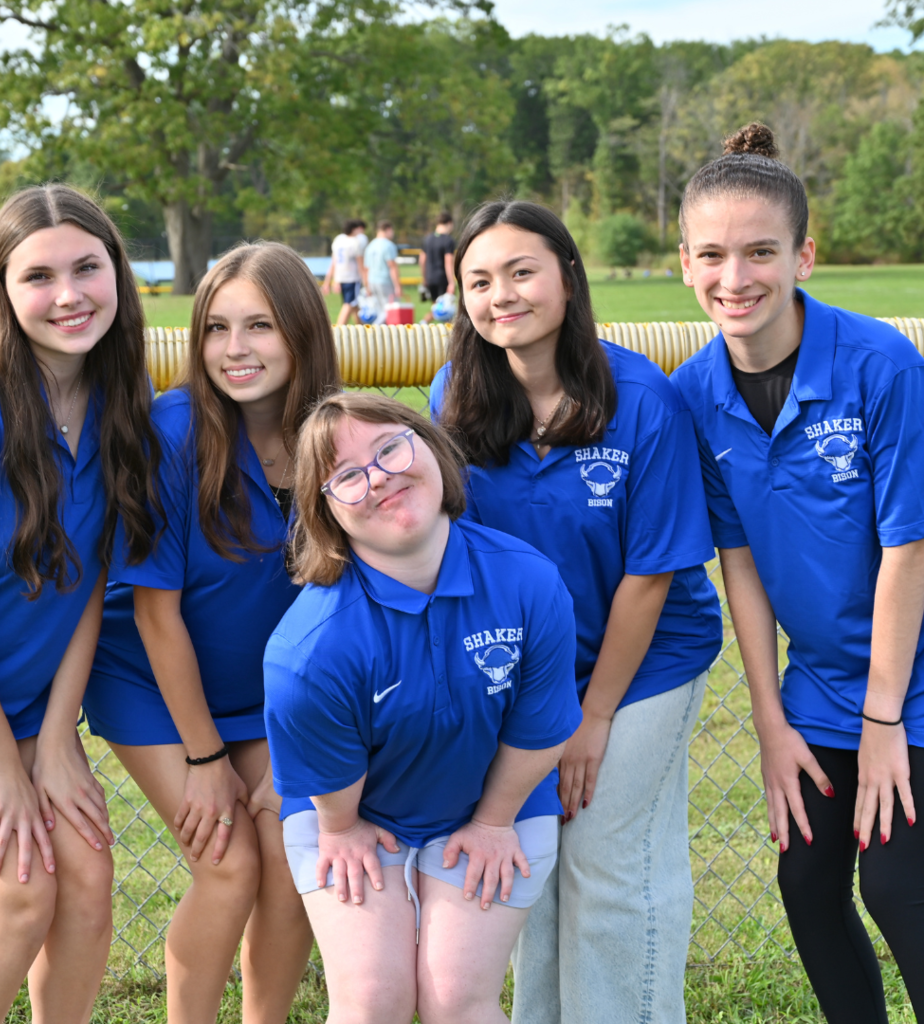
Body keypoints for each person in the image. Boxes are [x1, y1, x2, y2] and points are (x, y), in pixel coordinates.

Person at [431, 199, 723, 1024]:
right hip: (530, 671)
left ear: (567, 276)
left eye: (521, 272)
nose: (501, 295)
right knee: (534, 864)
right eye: (479, 281)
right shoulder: (454, 395)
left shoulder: (643, 398)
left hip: (646, 661)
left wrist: (591, 719)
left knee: (604, 861)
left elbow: (650, 578)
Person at [671, 123, 924, 1023]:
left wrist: (884, 722)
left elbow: (908, 548)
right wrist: (772, 723)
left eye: (760, 252)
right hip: (817, 685)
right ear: (685, 263)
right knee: (808, 881)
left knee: (897, 884)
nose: (734, 277)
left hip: (913, 674)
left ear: (803, 257)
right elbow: (738, 564)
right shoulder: (694, 394)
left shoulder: (881, 365)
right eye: (712, 255)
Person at [0, 184, 162, 1024]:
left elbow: (87, 585)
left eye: (87, 268)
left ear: (117, 273)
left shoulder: (121, 396)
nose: (69, 295)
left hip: (21, 705)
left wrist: (53, 739)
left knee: (85, 882)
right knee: (20, 893)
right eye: (38, 276)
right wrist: (3, 771)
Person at [263, 392, 582, 1024]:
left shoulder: (529, 581)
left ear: (432, 448)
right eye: (348, 476)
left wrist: (493, 822)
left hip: (500, 805)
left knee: (455, 999)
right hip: (351, 817)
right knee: (372, 1001)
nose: (379, 477)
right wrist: (341, 830)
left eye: (389, 449)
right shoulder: (309, 649)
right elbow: (331, 792)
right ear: (326, 513)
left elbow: (542, 728)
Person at [84, 242, 340, 1024]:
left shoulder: (340, 437)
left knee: (291, 857)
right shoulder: (171, 434)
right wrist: (204, 759)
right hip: (153, 683)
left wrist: (293, 738)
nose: (235, 349)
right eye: (217, 328)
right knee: (228, 868)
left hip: (267, 694)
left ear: (301, 331)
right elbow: (155, 614)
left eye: (259, 325)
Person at [321, 219, 368, 327]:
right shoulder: (356, 242)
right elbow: (361, 265)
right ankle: (338, 330)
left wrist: (329, 281)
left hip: (340, 278)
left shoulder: (338, 241)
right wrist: (366, 283)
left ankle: (362, 330)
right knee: (348, 305)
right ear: (354, 229)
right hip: (352, 278)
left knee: (354, 305)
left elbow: (333, 263)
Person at [419, 211, 456, 324]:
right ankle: (449, 333)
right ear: (449, 223)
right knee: (447, 310)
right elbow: (448, 262)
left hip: (430, 278)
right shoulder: (448, 240)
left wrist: (424, 278)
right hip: (442, 278)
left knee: (436, 307)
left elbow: (422, 260)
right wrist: (451, 282)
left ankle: (423, 324)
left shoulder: (428, 239)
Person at [364, 220, 403, 312]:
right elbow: (392, 266)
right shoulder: (388, 245)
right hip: (385, 281)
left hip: (372, 281)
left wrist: (367, 286)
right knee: (390, 311)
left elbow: (366, 269)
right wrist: (398, 286)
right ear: (388, 229)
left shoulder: (370, 245)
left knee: (379, 310)